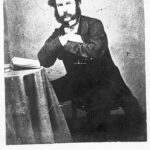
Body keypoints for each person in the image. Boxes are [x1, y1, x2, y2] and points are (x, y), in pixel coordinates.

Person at [38, 0, 146, 136]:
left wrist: (67, 42)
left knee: (103, 124)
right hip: (76, 81)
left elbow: (94, 52)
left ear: (77, 4)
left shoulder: (94, 25)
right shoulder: (59, 34)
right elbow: (43, 60)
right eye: (60, 5)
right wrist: (62, 40)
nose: (64, 9)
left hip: (105, 80)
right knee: (43, 92)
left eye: (68, 3)